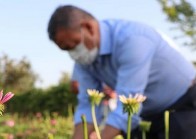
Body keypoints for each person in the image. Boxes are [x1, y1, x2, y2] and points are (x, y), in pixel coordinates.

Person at [47, 5, 196, 139]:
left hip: (183, 106)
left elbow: (129, 101)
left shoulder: (132, 39)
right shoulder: (85, 59)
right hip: (144, 115)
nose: (73, 54)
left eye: (74, 45)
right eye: (66, 49)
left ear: (89, 27)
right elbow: (87, 104)